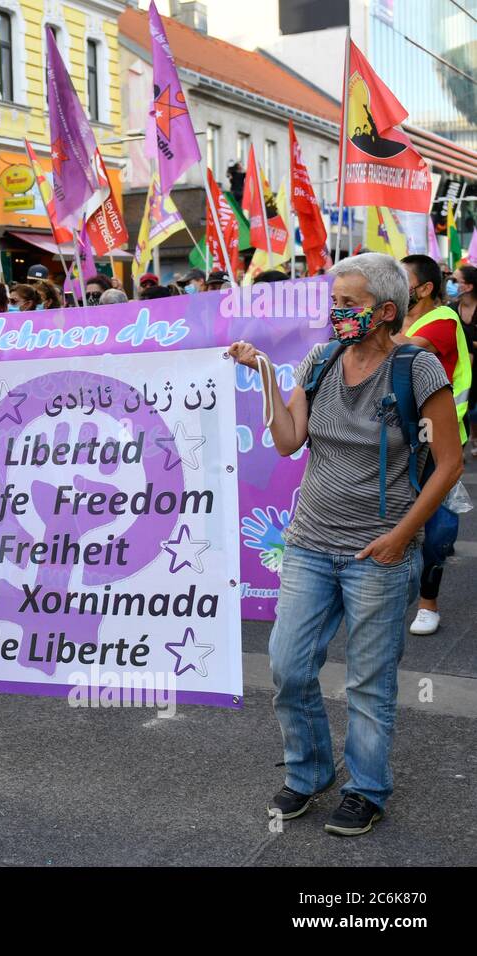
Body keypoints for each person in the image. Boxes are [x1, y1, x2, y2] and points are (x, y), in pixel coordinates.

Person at [230, 253, 462, 836]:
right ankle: (309, 774)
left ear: (386, 312)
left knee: (368, 679)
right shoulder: (321, 360)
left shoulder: (419, 369)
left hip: (378, 554)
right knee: (287, 664)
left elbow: (450, 462)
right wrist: (264, 375)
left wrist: (400, 537)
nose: (335, 313)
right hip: (309, 542)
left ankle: (366, 789)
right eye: (333, 302)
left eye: (348, 304)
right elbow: (287, 442)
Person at [398, 254, 470, 637]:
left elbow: (403, 346)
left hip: (438, 442)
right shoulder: (390, 318)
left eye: (401, 278)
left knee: (439, 530)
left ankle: (428, 601)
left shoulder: (442, 320)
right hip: (396, 439)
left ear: (425, 289)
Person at [449, 264, 477, 454]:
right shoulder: (450, 310)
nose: (449, 284)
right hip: (462, 369)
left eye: (454, 280)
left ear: (468, 286)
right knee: (466, 408)